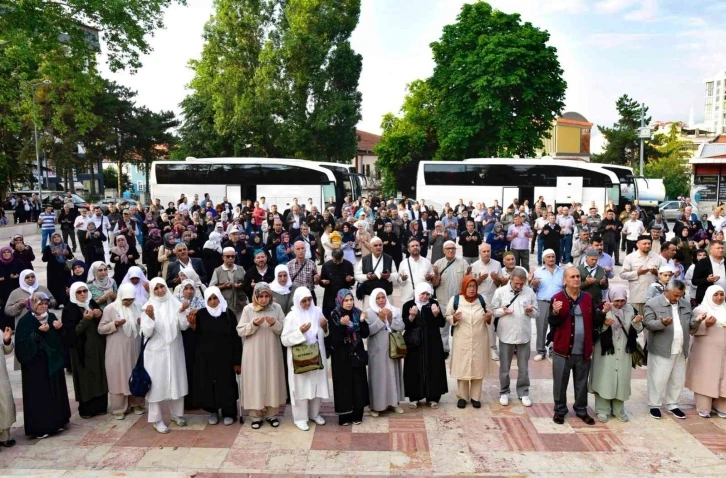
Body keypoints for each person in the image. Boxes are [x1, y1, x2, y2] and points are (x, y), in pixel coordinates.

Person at [549, 267, 604, 425]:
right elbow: (552, 323)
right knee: (560, 382)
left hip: (583, 350)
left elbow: (594, 320)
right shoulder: (557, 298)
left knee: (581, 383)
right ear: (564, 280)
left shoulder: (587, 297)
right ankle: (560, 410)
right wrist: (554, 312)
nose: (576, 279)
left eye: (578, 276)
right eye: (572, 276)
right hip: (562, 350)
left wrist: (602, 314)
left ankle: (581, 410)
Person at [14, 292, 71, 438]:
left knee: (55, 393)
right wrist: (38, 334)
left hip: (52, 363)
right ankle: (41, 428)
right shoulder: (25, 321)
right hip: (35, 367)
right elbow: (21, 346)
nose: (43, 306)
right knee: (39, 396)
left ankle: (57, 423)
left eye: (45, 303)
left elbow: (62, 339)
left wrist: (60, 329)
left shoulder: (51, 317)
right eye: (40, 303)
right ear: (32, 304)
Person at [140, 278, 193, 434]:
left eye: (162, 287)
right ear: (151, 291)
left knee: (176, 382)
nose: (160, 291)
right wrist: (150, 318)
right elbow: (146, 332)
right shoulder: (147, 307)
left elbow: (184, 326)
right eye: (156, 288)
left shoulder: (175, 304)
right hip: (156, 353)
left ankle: (177, 414)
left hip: (174, 350)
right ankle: (157, 419)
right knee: (156, 386)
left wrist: (183, 312)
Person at [644, 280, 701, 420]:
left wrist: (697, 321)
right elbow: (648, 324)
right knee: (658, 378)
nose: (678, 298)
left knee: (677, 379)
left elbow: (690, 325)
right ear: (667, 291)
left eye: (680, 295)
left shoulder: (685, 304)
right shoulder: (653, 303)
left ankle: (673, 404)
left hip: (680, 347)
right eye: (675, 295)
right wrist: (661, 323)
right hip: (661, 348)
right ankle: (654, 405)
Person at [588, 287, 643, 423]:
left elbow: (638, 328)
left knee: (621, 380)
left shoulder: (630, 309)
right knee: (604, 379)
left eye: (622, 301)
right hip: (606, 350)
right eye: (616, 301)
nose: (619, 304)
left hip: (624, 350)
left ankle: (619, 410)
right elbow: (593, 329)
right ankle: (602, 410)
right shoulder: (602, 307)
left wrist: (636, 323)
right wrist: (605, 323)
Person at [188, 287, 241, 426]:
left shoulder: (228, 314)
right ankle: (213, 411)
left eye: (215, 298)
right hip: (206, 357)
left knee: (226, 384)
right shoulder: (201, 314)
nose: (213, 302)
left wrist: (237, 361)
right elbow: (197, 336)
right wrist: (193, 326)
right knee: (209, 384)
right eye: (210, 299)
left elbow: (235, 339)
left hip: (226, 357)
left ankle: (229, 413)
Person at [238, 282, 287, 428]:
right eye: (261, 296)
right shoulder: (248, 309)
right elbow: (240, 330)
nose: (264, 299)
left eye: (267, 296)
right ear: (255, 296)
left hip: (272, 351)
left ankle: (272, 414)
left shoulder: (276, 308)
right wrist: (253, 324)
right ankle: (255, 415)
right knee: (255, 381)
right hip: (253, 352)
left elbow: (284, 329)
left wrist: (275, 324)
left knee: (272, 379)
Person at [280, 287, 330, 431]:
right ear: (297, 301)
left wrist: (325, 326)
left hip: (316, 355)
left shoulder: (317, 311)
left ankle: (314, 413)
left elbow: (325, 333)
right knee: (301, 387)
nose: (307, 303)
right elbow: (285, 340)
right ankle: (300, 418)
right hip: (300, 357)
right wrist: (300, 332)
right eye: (304, 301)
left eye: (309, 300)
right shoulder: (291, 316)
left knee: (316, 385)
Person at [98, 283, 145, 419]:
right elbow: (101, 329)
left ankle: (137, 403)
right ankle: (119, 408)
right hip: (117, 350)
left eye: (131, 299)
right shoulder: (110, 309)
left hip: (134, 348)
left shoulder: (138, 306)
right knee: (118, 376)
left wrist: (142, 320)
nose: (129, 302)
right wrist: (115, 324)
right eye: (126, 300)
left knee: (135, 374)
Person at [445, 276, 493, 409]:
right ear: (464, 287)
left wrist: (488, 318)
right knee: (463, 367)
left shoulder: (482, 300)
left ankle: (475, 397)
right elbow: (447, 316)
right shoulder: (455, 300)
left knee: (478, 366)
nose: (472, 289)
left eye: (474, 286)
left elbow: (490, 317)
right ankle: (462, 397)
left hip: (479, 340)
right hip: (462, 340)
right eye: (469, 286)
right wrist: (454, 318)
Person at [492, 267, 537, 407]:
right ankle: (504, 391)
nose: (519, 286)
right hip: (506, 334)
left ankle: (523, 392)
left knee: (523, 367)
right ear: (510, 279)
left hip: (524, 334)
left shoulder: (529, 292)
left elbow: (537, 313)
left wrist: (530, 311)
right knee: (504, 367)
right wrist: (502, 311)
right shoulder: (500, 292)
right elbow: (493, 311)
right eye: (516, 283)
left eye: (521, 284)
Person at [63, 282, 108, 418]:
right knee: (85, 379)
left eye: (85, 291)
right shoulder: (69, 309)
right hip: (81, 350)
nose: (83, 294)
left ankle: (101, 406)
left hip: (98, 347)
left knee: (100, 375)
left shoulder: (92, 303)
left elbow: (103, 323)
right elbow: (70, 333)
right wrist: (85, 320)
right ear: (73, 293)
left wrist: (100, 315)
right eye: (79, 292)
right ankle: (87, 409)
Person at [402, 283, 448, 409]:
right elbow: (403, 325)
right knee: (413, 368)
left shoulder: (433, 304)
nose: (425, 296)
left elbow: (442, 324)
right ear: (417, 293)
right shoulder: (408, 305)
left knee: (433, 367)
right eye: (422, 293)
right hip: (414, 344)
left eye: (427, 294)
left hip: (432, 343)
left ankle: (433, 397)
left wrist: (436, 314)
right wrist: (411, 316)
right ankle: (414, 397)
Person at [329, 289, 370, 425]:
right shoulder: (335, 314)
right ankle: (344, 416)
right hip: (341, 357)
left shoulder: (357, 313)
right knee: (343, 385)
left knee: (358, 385)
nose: (349, 303)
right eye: (346, 300)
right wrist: (342, 325)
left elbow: (365, 334)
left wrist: (362, 322)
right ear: (340, 300)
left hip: (356, 354)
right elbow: (335, 340)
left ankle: (357, 414)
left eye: (351, 300)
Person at [686, 285, 726, 418]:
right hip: (705, 351)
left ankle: (720, 405)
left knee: (723, 377)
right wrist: (705, 325)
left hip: (723, 352)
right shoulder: (700, 310)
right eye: (716, 295)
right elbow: (691, 329)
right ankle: (703, 406)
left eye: (721, 294)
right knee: (706, 377)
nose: (719, 297)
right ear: (709, 296)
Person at [365, 288, 405, 416]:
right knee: (378, 378)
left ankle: (394, 403)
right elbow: (367, 332)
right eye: (378, 298)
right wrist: (381, 320)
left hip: (392, 350)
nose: (381, 300)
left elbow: (401, 327)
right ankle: (376, 406)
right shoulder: (369, 313)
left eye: (383, 297)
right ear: (373, 299)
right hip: (377, 351)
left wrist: (392, 319)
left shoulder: (393, 310)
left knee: (392, 376)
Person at [432, 240, 469, 356]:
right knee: (443, 327)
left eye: (453, 248)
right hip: (443, 301)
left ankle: (461, 349)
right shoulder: (438, 263)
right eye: (448, 248)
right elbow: (434, 284)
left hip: (459, 301)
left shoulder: (463, 263)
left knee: (461, 326)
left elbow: (467, 282)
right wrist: (436, 273)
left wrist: (468, 275)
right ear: (444, 250)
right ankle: (444, 349)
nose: (451, 250)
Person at [531, 249, 564, 361]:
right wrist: (534, 286)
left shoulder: (562, 271)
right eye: (548, 257)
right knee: (541, 327)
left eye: (553, 256)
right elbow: (532, 290)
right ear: (544, 258)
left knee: (556, 327)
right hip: (542, 302)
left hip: (558, 303)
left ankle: (554, 350)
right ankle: (541, 351)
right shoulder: (538, 272)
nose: (551, 259)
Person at [620, 235, 665, 316]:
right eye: (644, 244)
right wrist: (637, 273)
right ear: (637, 244)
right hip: (637, 296)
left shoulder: (656, 257)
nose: (647, 245)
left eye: (649, 243)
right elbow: (623, 275)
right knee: (638, 322)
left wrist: (655, 272)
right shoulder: (630, 257)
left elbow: (665, 276)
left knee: (652, 320)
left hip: (654, 296)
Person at [5, 270, 56, 336]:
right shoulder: (15, 293)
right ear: (22, 278)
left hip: (43, 323)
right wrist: (19, 305)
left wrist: (45, 302)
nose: (30, 279)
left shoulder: (43, 289)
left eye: (32, 276)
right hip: (24, 326)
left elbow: (53, 301)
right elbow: (7, 311)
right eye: (27, 277)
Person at [354, 236, 398, 304]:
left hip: (386, 296)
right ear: (371, 248)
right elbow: (357, 276)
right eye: (375, 245)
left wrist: (389, 276)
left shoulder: (389, 259)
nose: (378, 247)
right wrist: (367, 277)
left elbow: (395, 275)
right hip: (369, 296)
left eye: (380, 245)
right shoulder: (364, 260)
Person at [209, 247, 247, 318]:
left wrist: (241, 285)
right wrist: (223, 286)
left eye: (232, 256)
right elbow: (211, 288)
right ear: (223, 257)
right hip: (224, 307)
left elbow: (247, 283)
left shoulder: (241, 269)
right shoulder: (218, 271)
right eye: (228, 256)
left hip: (241, 305)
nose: (230, 258)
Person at [398, 237, 434, 303]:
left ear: (420, 247)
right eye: (412, 246)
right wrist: (402, 279)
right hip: (408, 298)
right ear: (408, 250)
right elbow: (399, 281)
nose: (415, 247)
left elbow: (432, 279)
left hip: (423, 299)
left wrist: (429, 278)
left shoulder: (427, 262)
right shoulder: (403, 263)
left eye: (417, 245)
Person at [41, 233, 73, 304]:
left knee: (65, 286)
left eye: (58, 236)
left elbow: (71, 257)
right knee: (55, 287)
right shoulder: (48, 247)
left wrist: (67, 254)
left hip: (65, 270)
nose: (56, 238)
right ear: (52, 239)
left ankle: (66, 301)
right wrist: (52, 255)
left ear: (60, 238)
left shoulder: (65, 246)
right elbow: (44, 259)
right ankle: (56, 303)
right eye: (54, 237)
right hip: (53, 271)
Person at [692, 240, 726, 304]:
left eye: (722, 248)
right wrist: (707, 279)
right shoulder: (702, 263)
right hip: (707, 299)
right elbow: (694, 281)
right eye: (718, 248)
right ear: (711, 250)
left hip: (724, 299)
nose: (721, 250)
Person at [0, 247, 23, 330]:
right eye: (4, 252)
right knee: (4, 308)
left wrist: (18, 276)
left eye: (8, 252)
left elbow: (24, 274)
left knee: (15, 307)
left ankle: (15, 326)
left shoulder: (17, 262)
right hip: (2, 291)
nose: (6, 254)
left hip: (15, 290)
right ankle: (6, 327)